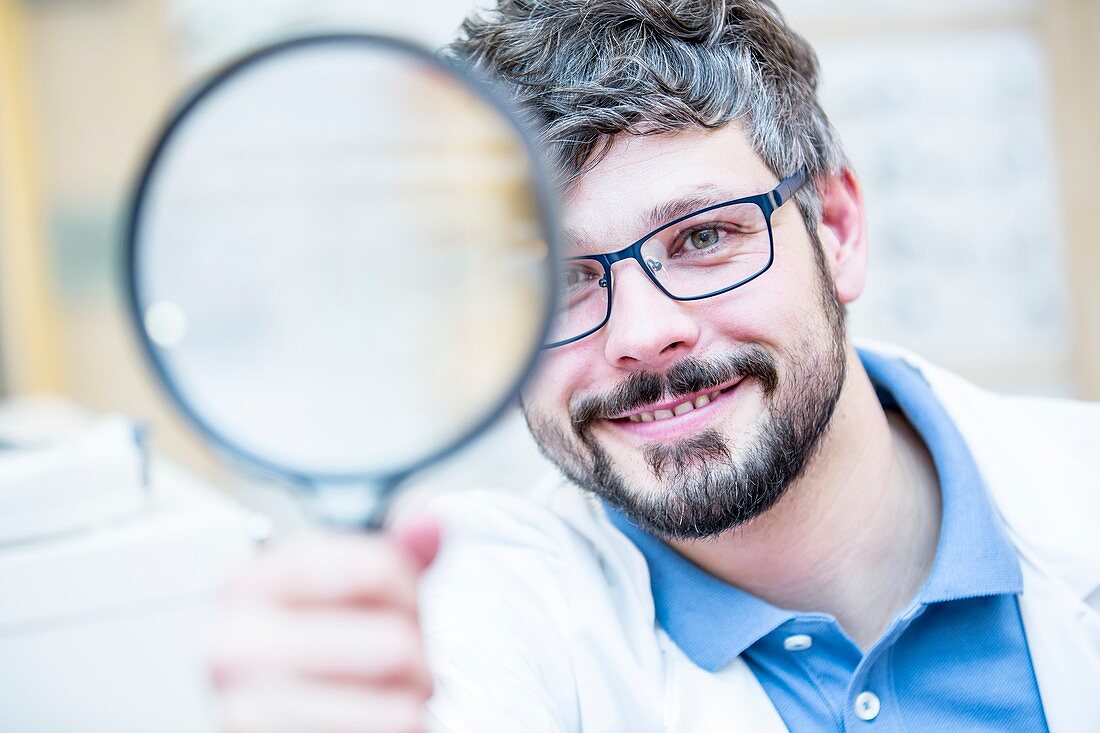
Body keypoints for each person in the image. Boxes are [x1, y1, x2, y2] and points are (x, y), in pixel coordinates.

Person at [209, 1, 1100, 731]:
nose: (643, 333)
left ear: (836, 229)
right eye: (556, 280)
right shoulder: (494, 611)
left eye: (705, 237)